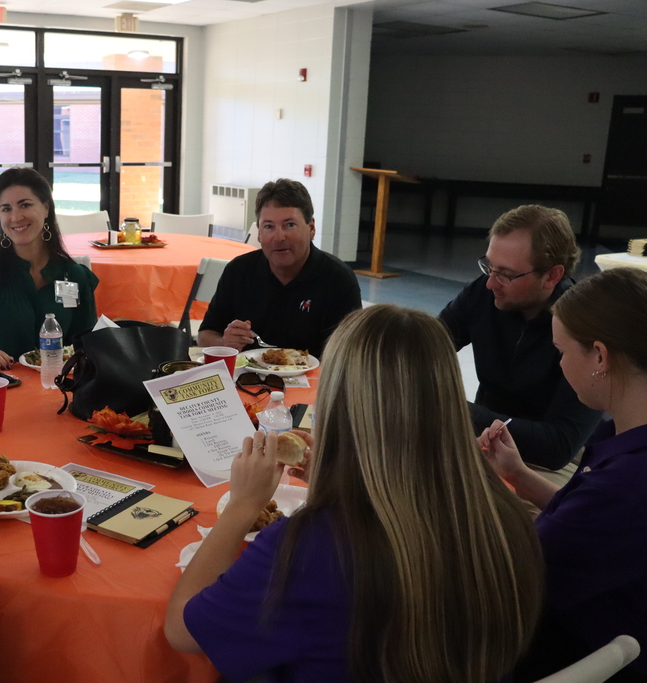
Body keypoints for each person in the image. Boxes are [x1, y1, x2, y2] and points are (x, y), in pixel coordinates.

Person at [167, 304, 543, 683]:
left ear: (337, 401)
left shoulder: (307, 549)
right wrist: (337, 481)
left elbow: (183, 631)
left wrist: (242, 505)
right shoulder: (505, 513)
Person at [481, 267, 647, 682]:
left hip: (574, 650)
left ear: (600, 357)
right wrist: (518, 475)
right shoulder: (622, 433)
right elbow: (583, 523)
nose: (559, 363)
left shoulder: (625, 484)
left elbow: (507, 578)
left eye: (562, 351)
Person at [439, 205, 601, 473]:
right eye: (489, 266)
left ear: (552, 275)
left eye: (506, 273)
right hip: (486, 440)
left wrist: (451, 409)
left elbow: (558, 446)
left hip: (559, 462)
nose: (491, 282)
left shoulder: (585, 328)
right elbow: (429, 344)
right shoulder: (483, 294)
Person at [0, 168, 99, 375]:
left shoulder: (75, 276)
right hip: (2, 389)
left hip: (61, 391)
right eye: (6, 209)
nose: (15, 217)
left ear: (46, 208)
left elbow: (87, 342)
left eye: (25, 205)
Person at [197, 178, 361, 358]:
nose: (278, 237)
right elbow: (205, 335)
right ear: (259, 233)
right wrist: (225, 344)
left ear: (311, 228)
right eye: (269, 226)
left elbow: (350, 356)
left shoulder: (339, 280)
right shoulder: (238, 271)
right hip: (247, 380)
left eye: (289, 225)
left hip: (315, 382)